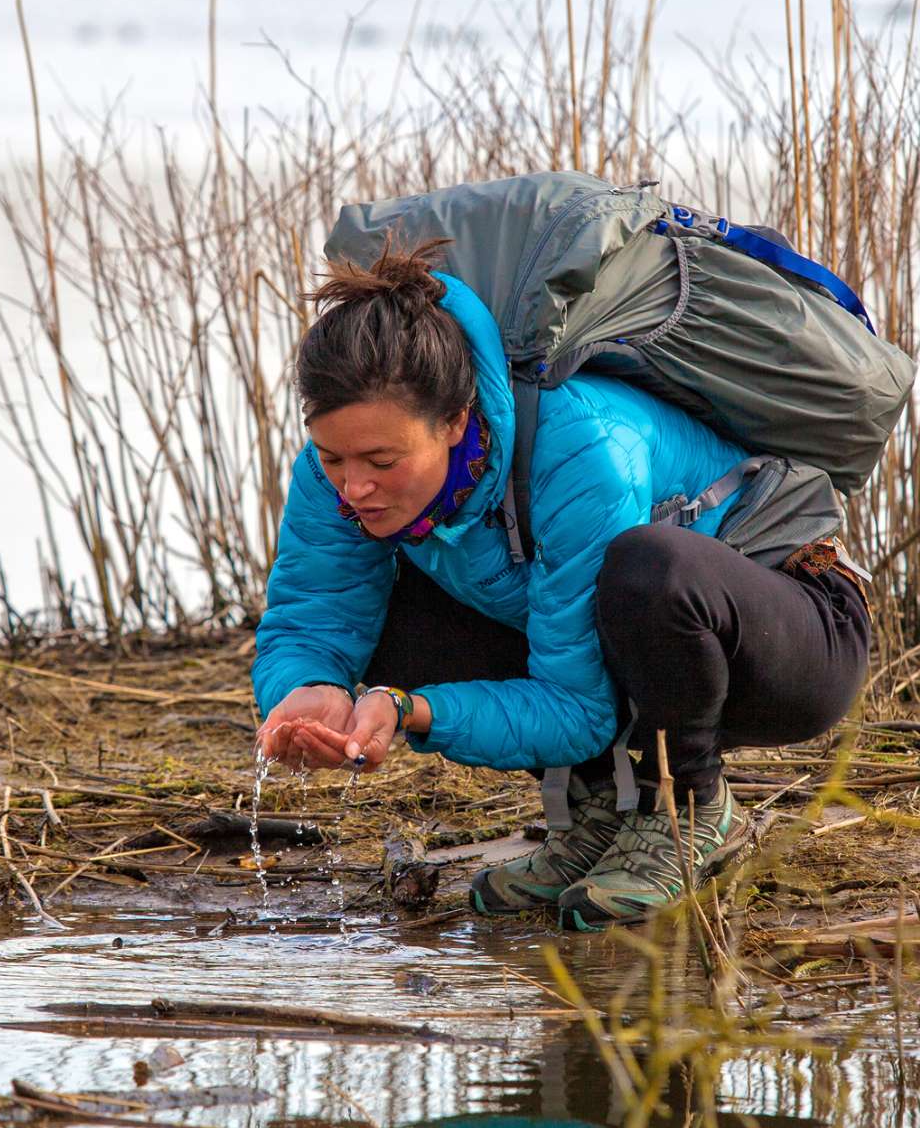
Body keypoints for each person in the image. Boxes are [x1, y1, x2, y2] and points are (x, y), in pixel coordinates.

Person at [252, 238, 871, 929]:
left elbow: (579, 709)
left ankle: (690, 810)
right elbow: (314, 617)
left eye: (381, 459)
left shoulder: (579, 447)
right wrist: (309, 692)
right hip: (632, 651)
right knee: (392, 617)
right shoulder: (333, 479)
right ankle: (603, 813)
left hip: (792, 630)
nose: (354, 485)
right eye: (333, 456)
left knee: (646, 571)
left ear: (456, 422)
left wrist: (409, 711)